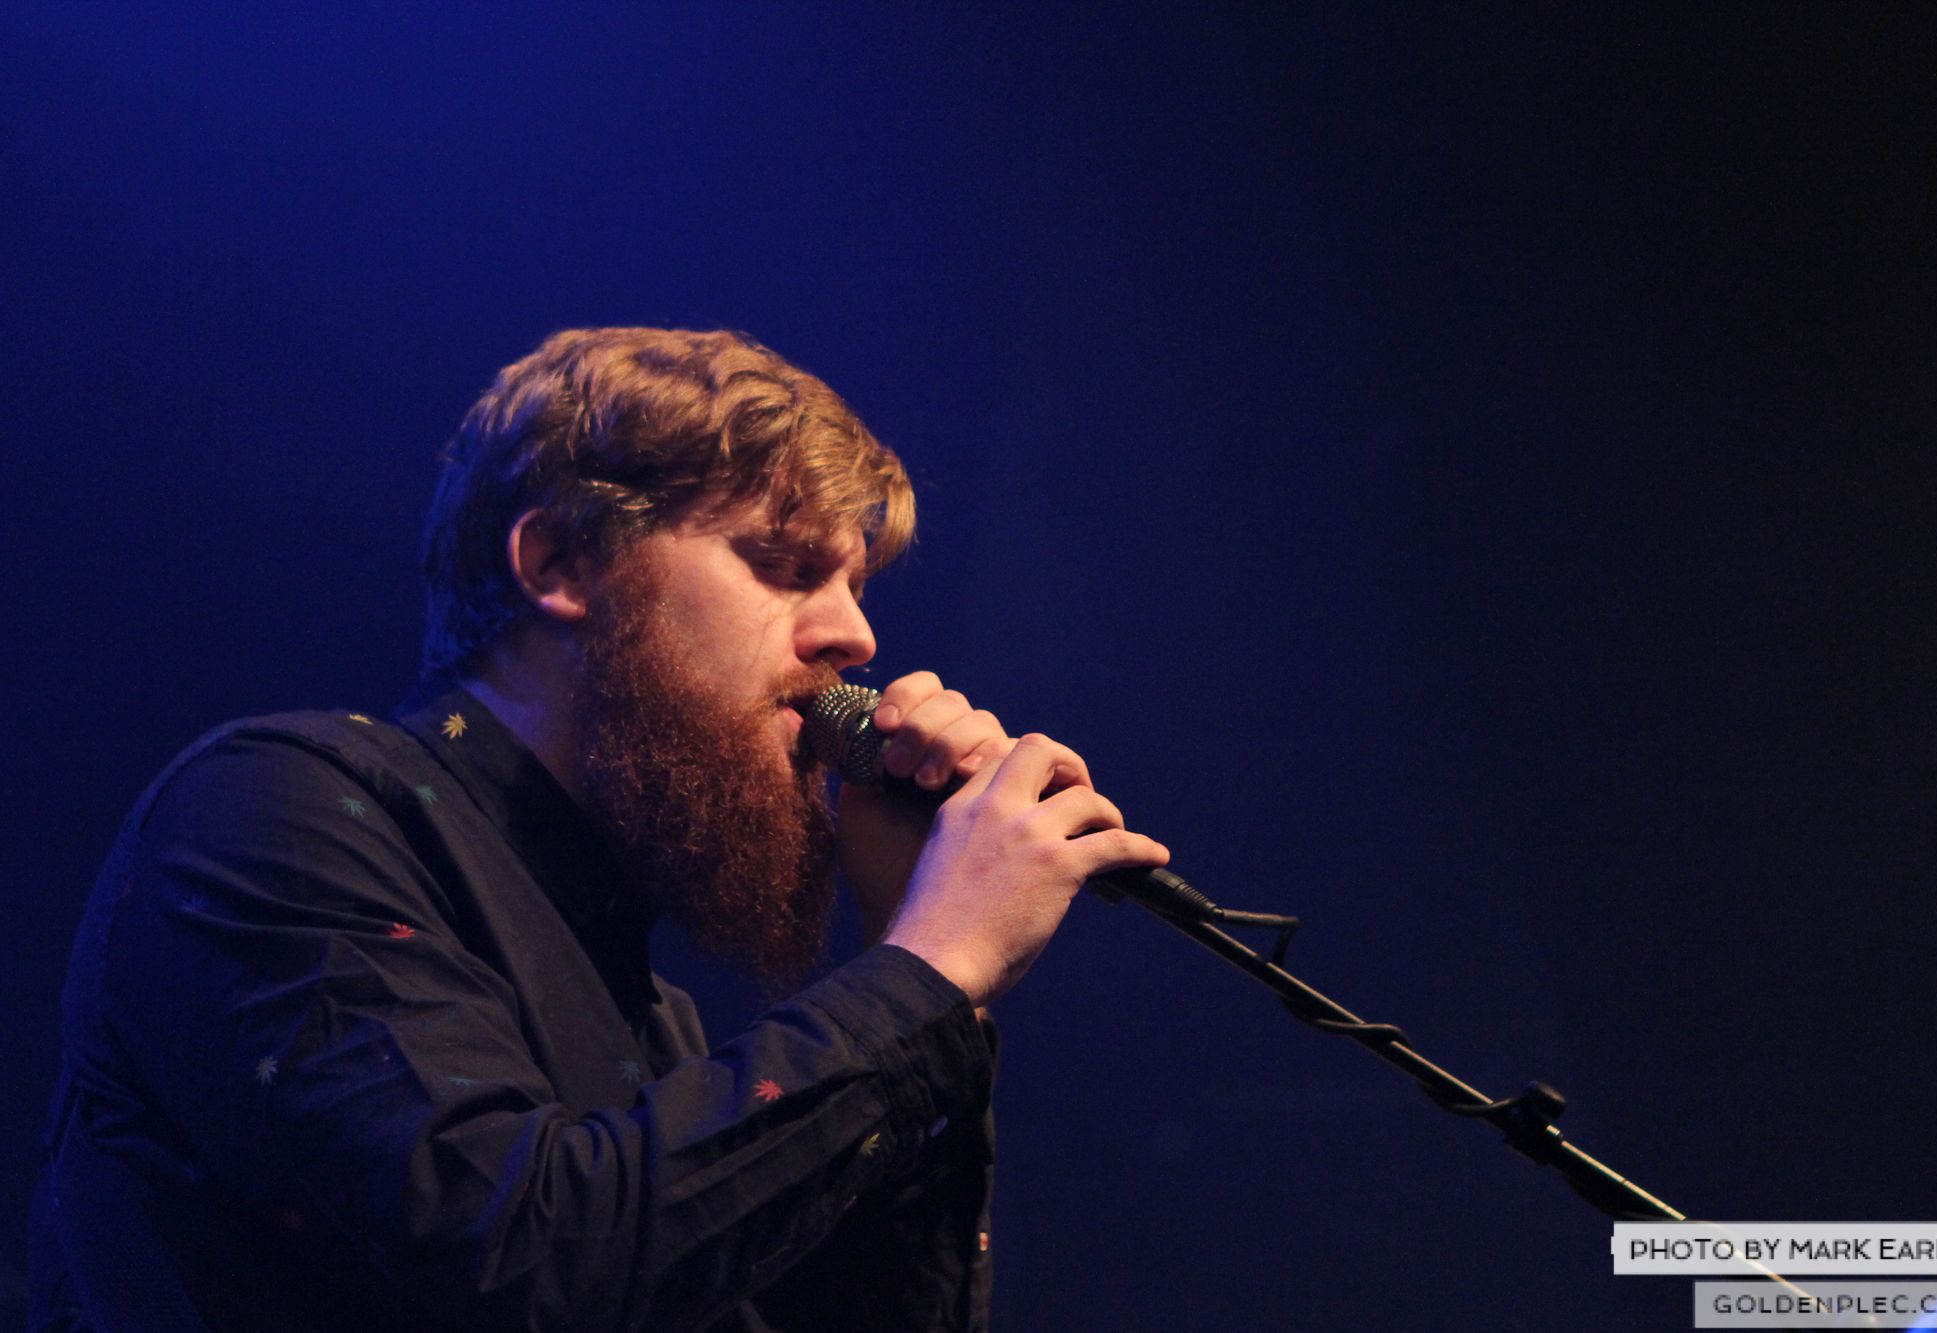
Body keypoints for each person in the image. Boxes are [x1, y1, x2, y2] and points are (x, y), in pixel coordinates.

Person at [30, 328, 1171, 1331]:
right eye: (783, 566)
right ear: (559, 563)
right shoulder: (273, 809)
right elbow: (517, 1266)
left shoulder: (655, 1021)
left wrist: (921, 973)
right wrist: (929, 968)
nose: (854, 636)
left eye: (856, 586)